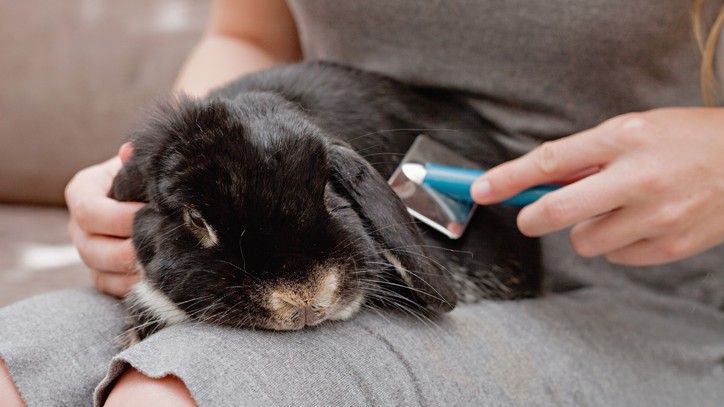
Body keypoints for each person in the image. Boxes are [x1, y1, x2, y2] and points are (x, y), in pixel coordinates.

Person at [2, 0, 723, 405]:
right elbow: (248, 36)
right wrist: (159, 165)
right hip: (339, 237)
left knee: (170, 394)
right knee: (16, 367)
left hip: (651, 286)